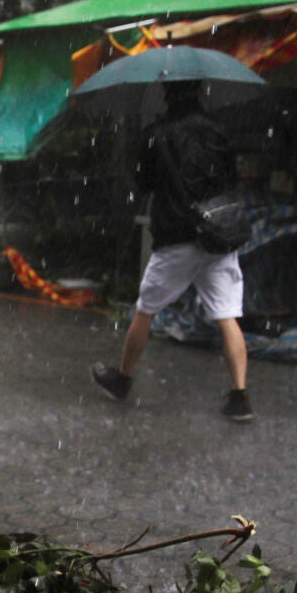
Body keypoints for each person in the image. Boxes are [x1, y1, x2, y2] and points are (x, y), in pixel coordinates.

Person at [91, 80, 254, 422]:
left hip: (176, 234)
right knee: (226, 315)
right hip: (217, 234)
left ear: (167, 95)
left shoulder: (155, 134)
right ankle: (239, 395)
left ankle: (121, 379)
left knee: (146, 309)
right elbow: (230, 181)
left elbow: (144, 182)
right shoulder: (218, 131)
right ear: (199, 92)